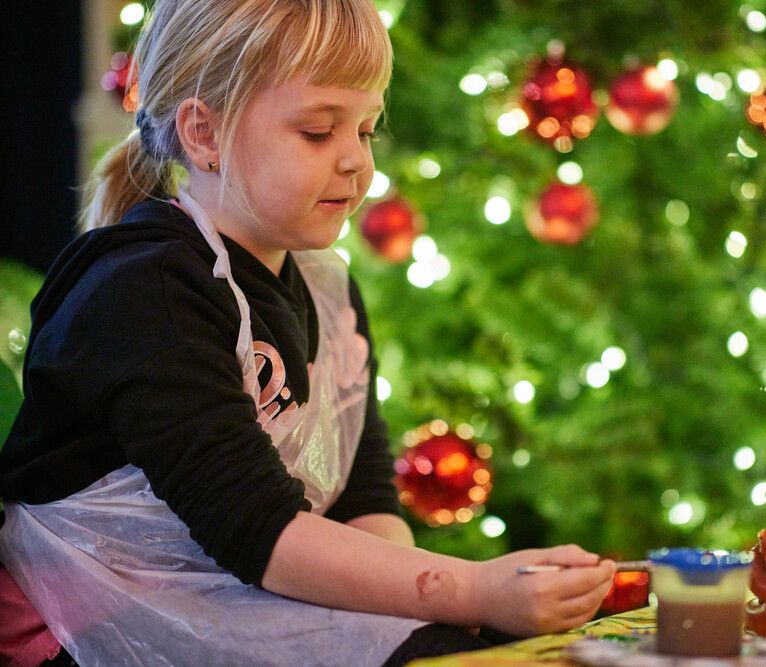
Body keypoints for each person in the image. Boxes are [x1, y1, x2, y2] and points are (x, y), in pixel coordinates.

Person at [0, 0, 615, 665]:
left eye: (368, 129)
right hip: (84, 628)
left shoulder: (327, 288)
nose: (356, 161)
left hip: (232, 589)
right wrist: (467, 587)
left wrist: (444, 606)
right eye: (320, 132)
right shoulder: (145, 290)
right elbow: (257, 530)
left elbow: (364, 500)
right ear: (204, 135)